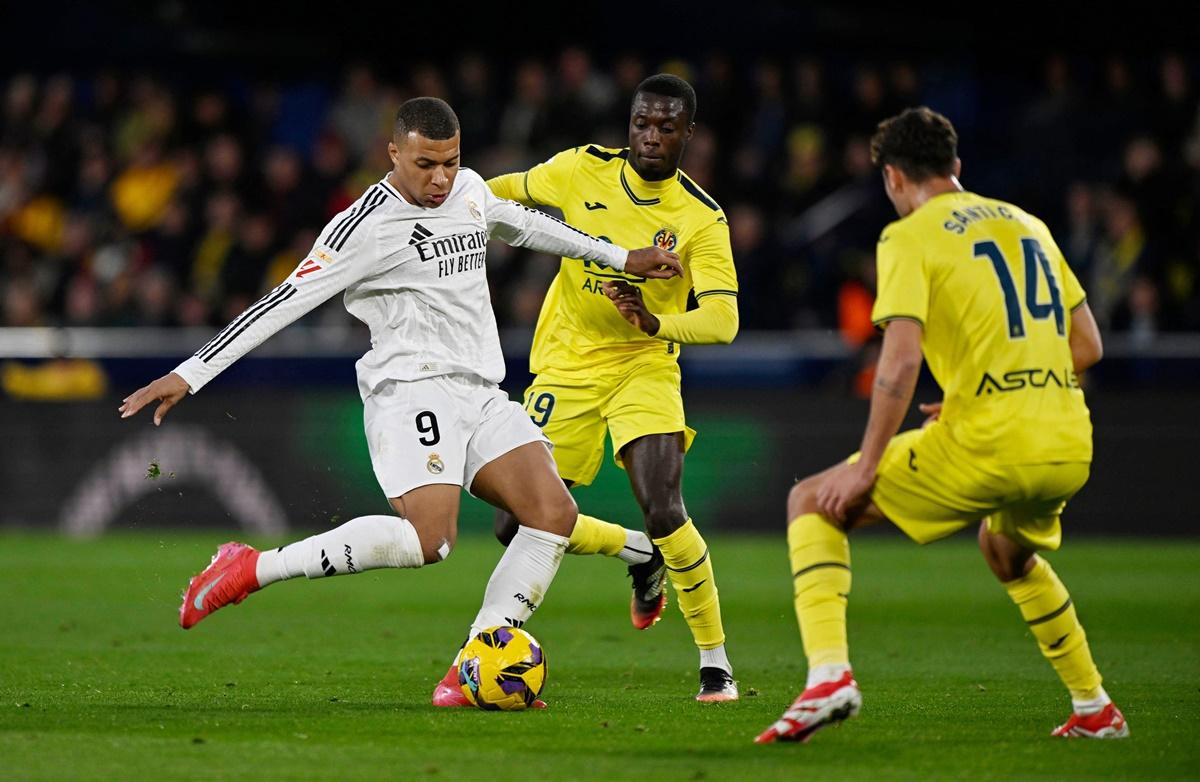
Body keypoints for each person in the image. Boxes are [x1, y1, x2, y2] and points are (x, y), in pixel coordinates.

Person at [118, 98, 681, 706]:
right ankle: (251, 567)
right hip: (411, 388)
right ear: (393, 153)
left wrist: (621, 258)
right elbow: (283, 302)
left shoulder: (467, 190)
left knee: (552, 515)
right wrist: (192, 373)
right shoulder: (361, 228)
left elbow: (526, 224)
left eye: (450, 162)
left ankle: (473, 667)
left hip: (480, 390)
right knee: (429, 543)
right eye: (424, 164)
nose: (440, 178)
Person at [755, 107, 1128, 743]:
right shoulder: (1028, 224)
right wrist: (993, 383)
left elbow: (898, 365)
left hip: (992, 440)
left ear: (893, 178)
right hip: (1067, 438)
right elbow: (1087, 345)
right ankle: (1095, 707)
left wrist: (866, 467)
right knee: (1006, 549)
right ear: (956, 167)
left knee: (813, 500)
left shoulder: (909, 236)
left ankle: (829, 677)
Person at [481, 74, 740, 702]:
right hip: (567, 363)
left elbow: (724, 320)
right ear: (629, 124)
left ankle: (716, 663)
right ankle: (639, 556)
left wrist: (657, 322)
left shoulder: (701, 219)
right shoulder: (578, 172)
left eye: (666, 127)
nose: (651, 136)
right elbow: (495, 193)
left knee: (665, 507)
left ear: (688, 135)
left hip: (644, 361)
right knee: (517, 525)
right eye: (642, 124)